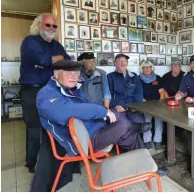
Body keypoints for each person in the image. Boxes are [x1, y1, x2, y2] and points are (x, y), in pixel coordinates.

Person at [37, 60, 148, 158]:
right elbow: (66, 110)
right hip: (85, 141)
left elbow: (86, 106)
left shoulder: (73, 90)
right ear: (56, 75)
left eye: (75, 73)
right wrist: (102, 111)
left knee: (128, 132)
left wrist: (105, 113)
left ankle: (143, 162)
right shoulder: (46, 94)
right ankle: (137, 127)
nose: (73, 76)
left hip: (94, 128)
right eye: (67, 73)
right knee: (123, 125)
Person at [19, 13, 70, 173]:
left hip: (52, 90)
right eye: (48, 25)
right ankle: (32, 163)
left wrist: (51, 61)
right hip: (32, 90)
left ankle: (53, 159)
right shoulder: (30, 41)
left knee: (55, 124)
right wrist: (53, 61)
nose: (51, 28)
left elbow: (67, 60)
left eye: (54, 26)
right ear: (39, 25)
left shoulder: (56, 45)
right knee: (34, 128)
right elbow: (41, 60)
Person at [139, 61, 165, 150]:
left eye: (149, 67)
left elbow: (161, 91)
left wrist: (160, 102)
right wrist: (144, 101)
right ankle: (147, 141)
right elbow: (138, 92)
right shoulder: (138, 79)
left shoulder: (157, 78)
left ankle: (158, 141)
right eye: (145, 67)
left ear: (152, 68)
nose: (147, 69)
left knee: (159, 120)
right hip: (145, 103)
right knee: (147, 121)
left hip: (157, 103)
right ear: (142, 69)